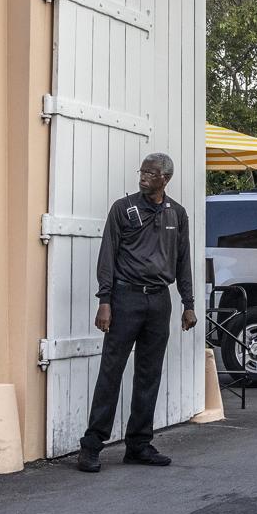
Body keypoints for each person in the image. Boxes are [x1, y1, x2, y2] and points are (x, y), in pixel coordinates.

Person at [77, 152, 196, 472]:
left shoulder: (178, 214)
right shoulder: (123, 209)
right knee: (111, 370)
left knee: (149, 373)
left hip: (160, 302)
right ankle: (91, 445)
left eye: (150, 173)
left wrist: (189, 304)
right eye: (141, 171)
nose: (143, 177)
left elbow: (183, 260)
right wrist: (105, 301)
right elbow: (107, 257)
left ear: (165, 179)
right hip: (125, 298)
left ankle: (139, 444)